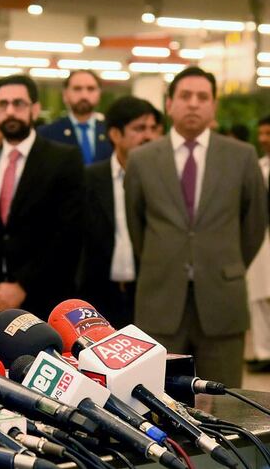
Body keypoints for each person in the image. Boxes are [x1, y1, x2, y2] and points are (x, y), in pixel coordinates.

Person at [125, 66, 267, 387]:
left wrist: (226, 262)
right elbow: (137, 224)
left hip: (222, 298)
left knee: (225, 402)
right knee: (158, 398)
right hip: (160, 299)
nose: (193, 104)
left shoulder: (242, 157)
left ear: (214, 106)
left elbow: (255, 223)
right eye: (185, 96)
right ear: (169, 103)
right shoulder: (142, 159)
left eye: (203, 97)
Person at [0, 74, 84, 322]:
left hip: (45, 301)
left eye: (19, 104)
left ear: (35, 109)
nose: (11, 111)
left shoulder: (63, 160)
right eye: (3, 105)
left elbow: (67, 233)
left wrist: (22, 286)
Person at [78, 96, 155, 328]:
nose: (149, 136)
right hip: (98, 296)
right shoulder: (89, 178)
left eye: (153, 128)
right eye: (139, 129)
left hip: (147, 294)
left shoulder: (163, 181)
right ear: (115, 135)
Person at [38, 70, 112, 164]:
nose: (84, 95)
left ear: (99, 94)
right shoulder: (46, 134)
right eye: (77, 89)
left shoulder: (112, 133)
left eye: (91, 89)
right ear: (65, 95)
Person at [246, 115, 270, 372]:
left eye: (268, 133)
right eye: (261, 133)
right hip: (260, 239)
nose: (263, 139)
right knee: (259, 297)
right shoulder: (259, 165)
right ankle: (263, 351)